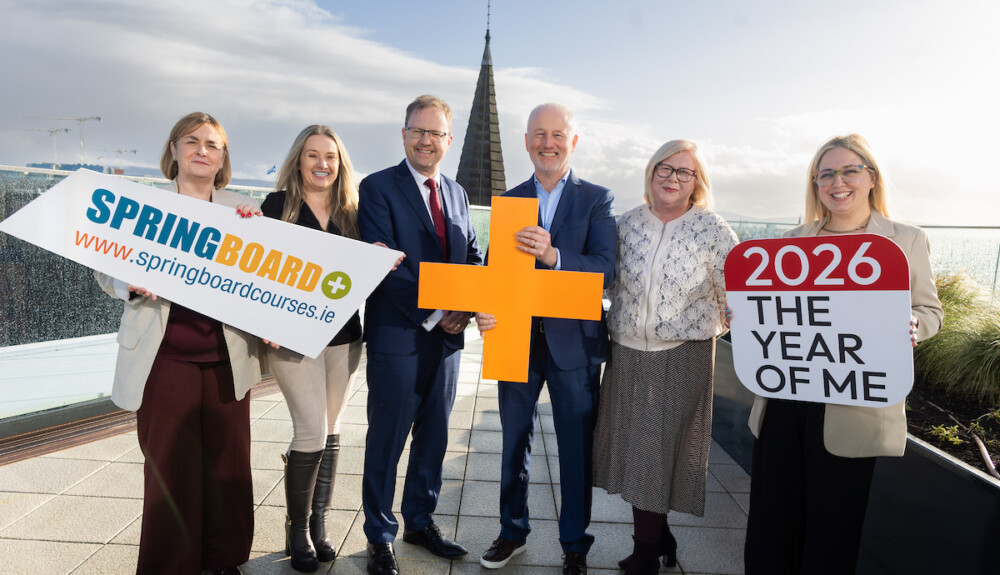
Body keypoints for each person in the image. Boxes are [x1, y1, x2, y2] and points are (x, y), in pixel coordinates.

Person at [743, 134, 943, 575]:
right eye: (826, 173)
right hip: (785, 401)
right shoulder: (793, 240)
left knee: (832, 532)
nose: (838, 182)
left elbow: (930, 310)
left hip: (854, 406)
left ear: (871, 177)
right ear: (815, 184)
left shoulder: (905, 239)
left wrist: (913, 324)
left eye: (850, 170)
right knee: (771, 527)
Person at [95, 112, 260, 575]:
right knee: (170, 471)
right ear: (174, 150)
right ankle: (171, 566)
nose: (202, 150)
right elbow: (103, 268)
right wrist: (127, 281)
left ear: (223, 157)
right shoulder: (145, 207)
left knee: (228, 469)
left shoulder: (244, 210)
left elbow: (268, 276)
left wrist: (258, 230)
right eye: (192, 141)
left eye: (212, 144)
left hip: (229, 359)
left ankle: (224, 561)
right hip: (164, 359)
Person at [475, 103, 616, 575]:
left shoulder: (597, 198)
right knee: (513, 441)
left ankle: (575, 543)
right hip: (513, 337)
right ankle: (512, 532)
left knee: (575, 447)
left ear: (572, 142)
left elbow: (606, 269)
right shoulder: (509, 200)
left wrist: (555, 255)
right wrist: (484, 308)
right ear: (527, 141)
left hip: (573, 344)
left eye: (557, 134)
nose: (548, 143)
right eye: (539, 134)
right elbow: (496, 273)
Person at [593, 140, 738, 574]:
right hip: (627, 352)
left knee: (654, 452)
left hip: (683, 356)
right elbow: (606, 284)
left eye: (684, 172)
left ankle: (645, 555)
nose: (673, 178)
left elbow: (734, 295)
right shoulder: (626, 224)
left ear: (698, 183)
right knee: (639, 450)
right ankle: (661, 537)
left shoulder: (713, 229)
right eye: (665, 168)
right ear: (651, 172)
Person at [357, 94, 483, 575]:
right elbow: (383, 264)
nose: (426, 140)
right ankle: (379, 535)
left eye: (436, 133)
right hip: (400, 334)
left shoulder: (457, 192)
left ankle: (420, 521)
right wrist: (440, 308)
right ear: (404, 133)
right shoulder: (377, 188)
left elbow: (472, 257)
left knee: (434, 436)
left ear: (448, 141)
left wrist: (464, 307)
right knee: (387, 439)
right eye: (418, 130)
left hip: (448, 341)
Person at [255, 125, 364, 572]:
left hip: (344, 335)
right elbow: (255, 267)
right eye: (313, 155)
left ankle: (320, 524)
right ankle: (296, 529)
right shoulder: (276, 207)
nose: (322, 164)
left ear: (341, 165)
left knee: (333, 428)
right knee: (311, 431)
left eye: (331, 157)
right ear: (298, 160)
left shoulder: (354, 211)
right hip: (291, 337)